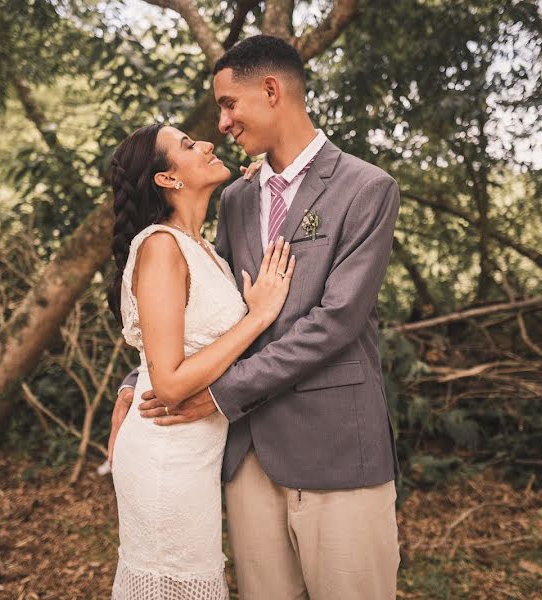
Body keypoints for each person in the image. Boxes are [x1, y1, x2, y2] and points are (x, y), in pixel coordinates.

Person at [113, 35, 403, 598]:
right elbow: (208, 307)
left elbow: (336, 322)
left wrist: (221, 394)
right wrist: (143, 380)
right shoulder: (237, 198)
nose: (221, 123)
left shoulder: (366, 189)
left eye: (228, 104)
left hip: (336, 448)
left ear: (271, 90)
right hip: (247, 458)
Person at [106, 122, 296, 599]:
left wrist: (262, 180)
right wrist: (259, 316)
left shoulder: (202, 249)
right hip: (166, 456)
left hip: (194, 455)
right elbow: (168, 384)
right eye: (188, 146)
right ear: (168, 180)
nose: (208, 142)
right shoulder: (160, 247)